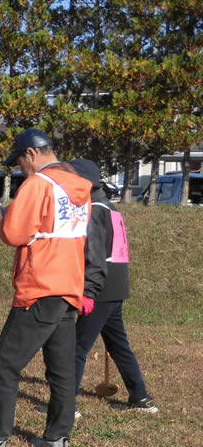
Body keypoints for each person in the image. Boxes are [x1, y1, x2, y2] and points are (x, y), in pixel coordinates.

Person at [0, 129, 91, 447]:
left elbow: (13, 233)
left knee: (5, 363)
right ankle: (57, 439)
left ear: (31, 154)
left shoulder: (39, 184)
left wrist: (7, 216)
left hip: (40, 286)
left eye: (19, 163)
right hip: (69, 286)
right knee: (61, 368)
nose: (19, 170)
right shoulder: (78, 187)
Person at [69, 158, 158, 413]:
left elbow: (95, 253)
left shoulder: (94, 209)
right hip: (116, 284)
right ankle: (140, 397)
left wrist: (88, 291)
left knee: (77, 346)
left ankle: (67, 404)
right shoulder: (110, 206)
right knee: (119, 345)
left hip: (101, 287)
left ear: (84, 183)